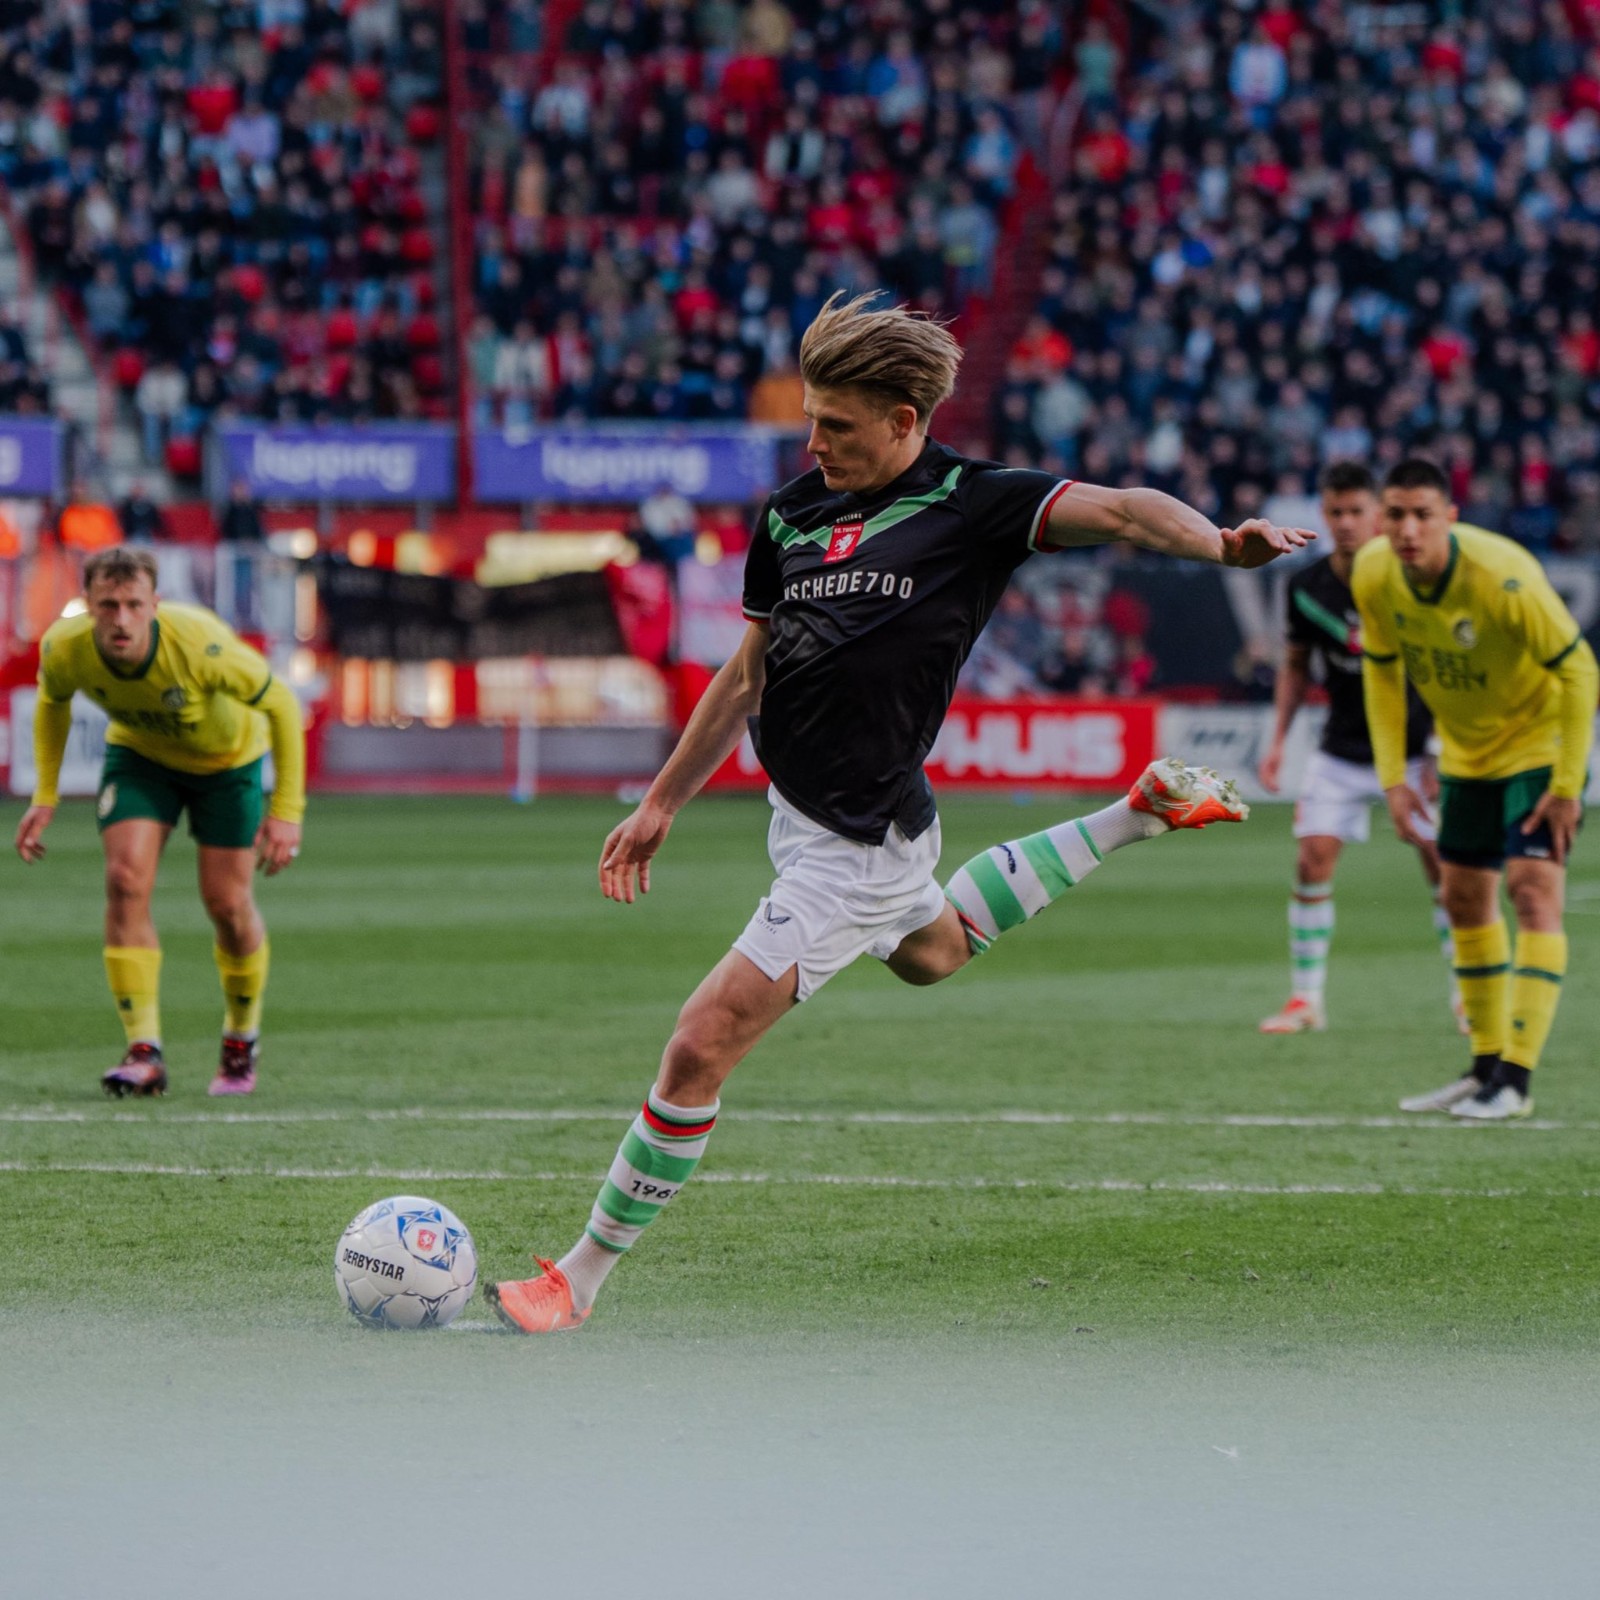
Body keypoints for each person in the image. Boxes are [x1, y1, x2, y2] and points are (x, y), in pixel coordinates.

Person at [485, 293, 1314, 1333]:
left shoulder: (972, 502)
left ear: (904, 422)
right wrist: (660, 802)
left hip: (856, 841)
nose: (815, 441)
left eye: (838, 425)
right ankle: (1134, 812)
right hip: (814, 818)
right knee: (933, 951)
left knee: (699, 1045)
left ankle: (578, 1278)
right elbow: (747, 674)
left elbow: (1126, 507)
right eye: (810, 419)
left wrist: (1220, 546)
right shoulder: (788, 515)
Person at [13, 546, 307, 1098]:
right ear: (89, 604)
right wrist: (45, 795)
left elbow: (283, 706)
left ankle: (240, 1038)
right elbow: (52, 702)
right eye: (107, 606)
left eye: (132, 605)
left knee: (227, 905)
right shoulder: (64, 646)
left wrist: (286, 812)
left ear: (155, 604)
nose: (120, 620)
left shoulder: (200, 643)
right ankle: (143, 1051)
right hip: (142, 759)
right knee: (124, 880)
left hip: (229, 764)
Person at [1355, 458, 1598, 1120]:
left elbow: (1580, 669)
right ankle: (1484, 1068)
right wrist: (1394, 779)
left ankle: (1516, 1082)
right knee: (1463, 899)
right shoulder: (1373, 571)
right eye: (1396, 515)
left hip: (1540, 747)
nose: (1408, 530)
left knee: (1532, 892)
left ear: (1449, 518)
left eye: (1422, 515)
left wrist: (1569, 784)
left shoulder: (1503, 575)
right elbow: (1379, 672)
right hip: (1464, 755)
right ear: (1383, 520)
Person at [1257, 461, 1462, 1034]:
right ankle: (1306, 1000)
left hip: (1418, 750)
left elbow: (1446, 667)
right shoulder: (1306, 587)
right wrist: (1276, 742)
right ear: (1323, 515)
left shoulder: (1408, 578)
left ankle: (1467, 995)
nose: (1346, 523)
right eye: (1335, 512)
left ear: (1378, 515)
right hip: (1343, 747)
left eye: (1356, 511)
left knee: (1444, 869)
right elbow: (1296, 668)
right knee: (1311, 859)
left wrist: (1443, 749)